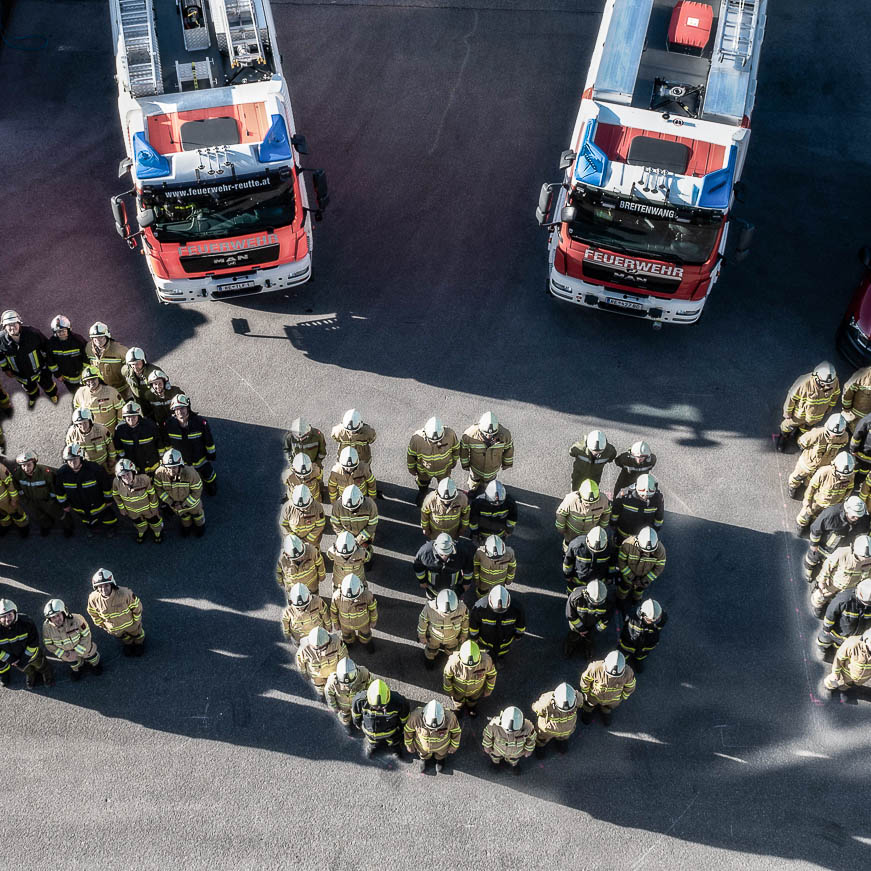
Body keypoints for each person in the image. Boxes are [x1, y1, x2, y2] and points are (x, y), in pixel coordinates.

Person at [776, 362, 840, 452]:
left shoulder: (834, 381)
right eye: (824, 383)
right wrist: (787, 412)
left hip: (816, 416)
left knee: (805, 429)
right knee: (787, 426)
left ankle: (798, 438)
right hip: (798, 415)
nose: (827, 386)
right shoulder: (804, 383)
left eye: (829, 384)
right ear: (816, 377)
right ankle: (783, 437)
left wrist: (830, 407)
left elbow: (835, 395)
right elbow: (791, 397)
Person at [0, 310, 59, 408]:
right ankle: (34, 398)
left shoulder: (33, 334)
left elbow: (46, 348)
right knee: (30, 389)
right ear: (4, 327)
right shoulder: (1, 340)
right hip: (21, 374)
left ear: (19, 323)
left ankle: (53, 395)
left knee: (48, 386)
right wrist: (5, 369)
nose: (12, 327)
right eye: (9, 325)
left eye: (14, 323)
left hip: (40, 370)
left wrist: (48, 364)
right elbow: (0, 356)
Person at [54, 444, 116, 536]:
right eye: (69, 460)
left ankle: (111, 529)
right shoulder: (62, 474)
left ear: (81, 458)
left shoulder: (94, 469)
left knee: (108, 517)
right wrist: (64, 505)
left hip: (99, 504)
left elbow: (105, 486)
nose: (72, 463)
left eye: (75, 459)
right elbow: (60, 492)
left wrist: (108, 499)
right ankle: (91, 528)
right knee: (87, 520)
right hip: (79, 506)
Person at [804, 496, 870, 581]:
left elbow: (863, 535)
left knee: (830, 568)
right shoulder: (831, 514)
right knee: (811, 560)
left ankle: (821, 580)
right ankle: (808, 573)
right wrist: (814, 544)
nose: (856, 518)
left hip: (840, 551)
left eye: (859, 516)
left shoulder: (864, 520)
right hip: (822, 547)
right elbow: (816, 528)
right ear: (847, 510)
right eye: (853, 516)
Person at [165, 394, 217, 496]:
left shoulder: (200, 423)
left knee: (209, 475)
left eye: (182, 408)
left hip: (200, 459)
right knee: (185, 478)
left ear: (188, 407)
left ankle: (211, 486)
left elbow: (208, 440)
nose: (180, 411)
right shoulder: (169, 425)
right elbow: (167, 442)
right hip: (182, 461)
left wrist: (211, 454)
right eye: (177, 409)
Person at [788, 413, 850, 497]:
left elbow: (842, 445)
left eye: (838, 435)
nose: (834, 436)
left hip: (823, 466)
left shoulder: (844, 437)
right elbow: (802, 441)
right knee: (797, 476)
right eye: (831, 433)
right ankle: (793, 487)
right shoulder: (817, 434)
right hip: (807, 463)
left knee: (812, 479)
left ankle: (806, 486)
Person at [86, 568, 145, 656]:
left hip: (131, 625)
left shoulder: (125, 593)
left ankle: (139, 644)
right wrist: (104, 626)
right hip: (115, 630)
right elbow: (92, 613)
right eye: (100, 586)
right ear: (96, 587)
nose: (103, 589)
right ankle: (128, 645)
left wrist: (136, 622)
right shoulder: (93, 598)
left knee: (138, 634)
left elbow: (137, 607)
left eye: (106, 585)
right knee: (124, 638)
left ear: (112, 584)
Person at [810, 536, 871, 618]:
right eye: (864, 558)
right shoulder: (842, 554)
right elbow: (827, 566)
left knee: (839, 602)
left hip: (851, 587)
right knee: (820, 596)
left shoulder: (869, 560)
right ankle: (818, 607)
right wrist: (822, 581)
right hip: (833, 583)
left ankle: (830, 606)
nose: (866, 560)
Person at [42, 599, 101, 680]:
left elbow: (86, 635)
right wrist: (65, 654)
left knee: (92, 657)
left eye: (58, 615)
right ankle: (77, 670)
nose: (56, 619)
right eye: (53, 617)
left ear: (64, 612)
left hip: (84, 647)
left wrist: (76, 652)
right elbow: (48, 644)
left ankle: (96, 665)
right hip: (67, 654)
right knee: (73, 663)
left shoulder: (76, 619)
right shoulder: (47, 627)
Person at [0, 599, 53, 689]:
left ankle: (46, 673)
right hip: (14, 659)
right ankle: (31, 675)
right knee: (26, 669)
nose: (7, 619)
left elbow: (34, 642)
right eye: (3, 616)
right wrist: (10, 659)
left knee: (40, 665)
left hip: (31, 654)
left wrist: (24, 658)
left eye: (9, 615)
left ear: (15, 613)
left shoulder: (26, 622)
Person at [406, 416, 460, 504]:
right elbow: (411, 455)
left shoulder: (450, 434)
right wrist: (411, 468)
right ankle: (423, 492)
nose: (436, 443)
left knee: (445, 485)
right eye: (432, 441)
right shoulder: (417, 439)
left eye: (439, 440)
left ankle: (443, 500)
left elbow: (456, 448)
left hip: (444, 469)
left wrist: (454, 460)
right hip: (424, 470)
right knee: (423, 482)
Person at [153, 448, 205, 537]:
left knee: (198, 517)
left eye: (174, 467)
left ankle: (200, 528)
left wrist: (183, 504)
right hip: (175, 505)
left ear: (180, 465)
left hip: (193, 504)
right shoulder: (159, 474)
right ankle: (187, 528)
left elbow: (197, 491)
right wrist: (171, 502)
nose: (171, 470)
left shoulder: (191, 473)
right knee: (184, 517)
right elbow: (159, 489)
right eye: (168, 467)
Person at [351, 679, 409, 759]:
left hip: (391, 731)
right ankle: (372, 747)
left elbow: (404, 718)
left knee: (394, 741)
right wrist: (357, 723)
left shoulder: (399, 702)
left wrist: (401, 729)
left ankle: (395, 749)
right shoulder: (359, 701)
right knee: (372, 742)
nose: (379, 709)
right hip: (371, 732)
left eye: (383, 706)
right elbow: (356, 715)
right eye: (375, 707)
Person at [469, 585, 526, 664]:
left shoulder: (517, 608)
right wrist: (473, 637)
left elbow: (520, 625)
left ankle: (500, 658)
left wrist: (519, 635)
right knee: (486, 656)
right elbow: (473, 626)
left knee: (502, 652)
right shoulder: (479, 608)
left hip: (504, 641)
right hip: (486, 642)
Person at [460, 411, 513, 494]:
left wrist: (507, 463)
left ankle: (488, 492)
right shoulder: (470, 435)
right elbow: (464, 450)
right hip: (476, 467)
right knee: (474, 479)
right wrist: (465, 464)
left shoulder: (505, 435)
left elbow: (508, 449)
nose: (489, 436)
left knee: (489, 482)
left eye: (492, 434)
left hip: (492, 468)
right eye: (486, 434)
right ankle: (472, 490)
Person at [112, 458, 163, 543]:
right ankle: (142, 531)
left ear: (133, 472)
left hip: (148, 510)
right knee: (139, 523)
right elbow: (116, 495)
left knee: (155, 522)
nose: (126, 477)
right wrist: (122, 508)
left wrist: (154, 508)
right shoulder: (116, 483)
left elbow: (152, 494)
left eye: (128, 474)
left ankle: (157, 532)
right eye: (123, 476)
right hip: (132, 511)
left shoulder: (144, 479)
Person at [579, 650, 636, 726]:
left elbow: (630, 686)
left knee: (608, 707)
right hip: (594, 696)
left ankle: (605, 711)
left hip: (613, 700)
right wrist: (586, 693)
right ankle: (587, 711)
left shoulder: (628, 673)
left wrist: (623, 697)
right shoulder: (595, 668)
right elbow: (585, 680)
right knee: (589, 704)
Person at [442, 639, 497, 717]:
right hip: (458, 691)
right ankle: (459, 708)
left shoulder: (486, 661)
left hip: (476, 691)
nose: (470, 668)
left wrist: (488, 690)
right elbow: (446, 676)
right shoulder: (453, 662)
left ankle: (471, 708)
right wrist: (449, 690)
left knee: (473, 700)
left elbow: (492, 675)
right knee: (458, 700)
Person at [417, 588, 469, 669]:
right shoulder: (430, 608)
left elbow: (465, 623)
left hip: (452, 639)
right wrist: (422, 636)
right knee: (431, 650)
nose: (447, 614)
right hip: (434, 638)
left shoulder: (462, 608)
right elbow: (422, 622)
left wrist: (464, 636)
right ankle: (429, 661)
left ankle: (451, 662)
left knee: (452, 650)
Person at [817, 580, 871, 658]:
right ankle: (822, 648)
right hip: (835, 631)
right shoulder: (844, 599)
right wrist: (827, 628)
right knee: (824, 639)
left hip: (850, 636)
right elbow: (831, 613)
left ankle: (835, 650)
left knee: (840, 645)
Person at [12, 450, 61, 536]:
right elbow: (17, 486)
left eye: (29, 465)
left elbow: (53, 486)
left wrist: (52, 499)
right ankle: (46, 526)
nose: (26, 468)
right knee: (39, 515)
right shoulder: (17, 474)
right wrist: (24, 498)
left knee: (57, 512)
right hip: (31, 501)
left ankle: (67, 526)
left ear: (34, 463)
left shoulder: (45, 472)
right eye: (23, 465)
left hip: (46, 499)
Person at [404, 700, 461, 773]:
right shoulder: (415, 717)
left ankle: (440, 759)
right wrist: (409, 744)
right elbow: (408, 730)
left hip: (442, 747)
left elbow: (456, 731)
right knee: (423, 753)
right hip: (422, 747)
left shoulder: (450, 717)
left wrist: (454, 746)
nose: (433, 730)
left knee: (441, 754)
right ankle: (424, 758)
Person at [616, 527, 666, 607]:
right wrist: (631, 576)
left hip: (644, 577)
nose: (646, 552)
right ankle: (620, 599)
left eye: (649, 551)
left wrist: (645, 579)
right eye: (644, 550)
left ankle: (636, 599)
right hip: (628, 575)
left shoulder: (660, 550)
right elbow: (621, 562)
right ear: (638, 541)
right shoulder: (627, 545)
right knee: (624, 588)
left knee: (639, 590)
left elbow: (659, 567)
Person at [414, 533, 473, 600]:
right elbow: (418, 567)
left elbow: (468, 568)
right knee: (432, 605)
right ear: (435, 546)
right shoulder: (425, 552)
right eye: (441, 554)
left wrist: (466, 583)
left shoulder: (462, 552)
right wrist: (422, 581)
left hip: (454, 590)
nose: (445, 557)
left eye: (447, 554)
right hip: (432, 590)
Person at [555, 479, 611, 549]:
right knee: (568, 545)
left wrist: (602, 527)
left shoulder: (603, 500)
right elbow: (561, 514)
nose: (590, 504)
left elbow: (607, 512)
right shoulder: (571, 499)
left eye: (593, 502)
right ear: (580, 495)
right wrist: (561, 528)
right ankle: (566, 554)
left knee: (585, 549)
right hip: (572, 533)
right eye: (587, 502)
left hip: (589, 534)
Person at [562, 526, 617, 595]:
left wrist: (610, 577)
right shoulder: (576, 546)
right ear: (587, 540)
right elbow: (568, 562)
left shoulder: (610, 549)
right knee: (572, 593)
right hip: (578, 580)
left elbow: (612, 564)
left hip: (597, 583)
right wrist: (568, 575)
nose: (595, 552)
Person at [564, 580, 611, 659]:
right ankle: (570, 644)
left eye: (599, 603)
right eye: (594, 602)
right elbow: (570, 615)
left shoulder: (609, 601)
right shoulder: (576, 597)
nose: (596, 604)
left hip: (593, 627)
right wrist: (581, 629)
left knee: (590, 638)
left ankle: (588, 646)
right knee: (573, 636)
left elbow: (606, 620)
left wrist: (594, 631)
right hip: (577, 625)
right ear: (587, 594)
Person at [296, 626, 347, 697]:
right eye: (316, 649)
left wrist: (344, 670)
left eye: (323, 648)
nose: (320, 651)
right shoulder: (304, 649)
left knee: (336, 689)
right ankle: (323, 696)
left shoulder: (336, 642)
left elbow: (344, 656)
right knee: (321, 691)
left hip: (334, 673)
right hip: (317, 677)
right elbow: (300, 663)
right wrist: (304, 674)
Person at [481, 706, 536, 774]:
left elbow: (531, 739)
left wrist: (529, 749)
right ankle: (495, 764)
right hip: (497, 750)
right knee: (495, 757)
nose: (511, 733)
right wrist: (487, 746)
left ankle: (514, 766)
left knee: (514, 760)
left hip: (515, 753)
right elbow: (487, 736)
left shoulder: (528, 727)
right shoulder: (494, 725)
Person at [618, 598, 668, 672]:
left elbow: (659, 628)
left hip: (645, 645)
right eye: (650, 620)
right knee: (623, 654)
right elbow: (625, 623)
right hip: (629, 642)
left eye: (655, 620)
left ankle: (637, 660)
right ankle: (621, 662)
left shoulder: (661, 618)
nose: (653, 623)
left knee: (641, 656)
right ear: (642, 614)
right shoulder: (632, 616)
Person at [329, 574, 378, 649]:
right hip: (345, 625)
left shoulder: (367, 596)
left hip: (363, 623)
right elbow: (333, 611)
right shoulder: (337, 597)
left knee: (366, 635)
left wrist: (373, 621)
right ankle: (349, 643)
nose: (351, 600)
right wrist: (335, 623)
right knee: (346, 636)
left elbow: (373, 609)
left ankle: (366, 643)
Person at [610, 474, 664, 541]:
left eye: (649, 496)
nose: (645, 497)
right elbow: (616, 510)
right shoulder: (625, 495)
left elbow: (659, 516)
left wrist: (656, 529)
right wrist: (613, 522)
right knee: (619, 544)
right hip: (624, 530)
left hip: (642, 534)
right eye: (642, 495)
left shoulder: (658, 499)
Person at [325, 657, 372, 734]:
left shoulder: (364, 673)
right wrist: (333, 707)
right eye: (345, 684)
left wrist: (369, 701)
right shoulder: (332, 681)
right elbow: (329, 693)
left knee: (360, 715)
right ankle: (347, 725)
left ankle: (359, 724)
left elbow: (371, 685)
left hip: (359, 705)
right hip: (343, 707)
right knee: (345, 717)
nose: (348, 686)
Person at [73, 365, 124, 435]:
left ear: (99, 379)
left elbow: (121, 409)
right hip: (92, 433)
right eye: (87, 380)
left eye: (93, 379)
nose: (91, 382)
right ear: (84, 382)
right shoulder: (80, 393)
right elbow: (77, 410)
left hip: (110, 431)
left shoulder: (111, 392)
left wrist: (120, 426)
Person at [84, 321, 130, 398]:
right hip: (102, 390)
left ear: (107, 336)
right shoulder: (88, 348)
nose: (98, 340)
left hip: (120, 390)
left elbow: (131, 367)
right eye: (95, 337)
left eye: (101, 337)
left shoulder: (119, 350)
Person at [330, 484, 378, 557]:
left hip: (364, 536)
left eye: (355, 508)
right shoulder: (337, 506)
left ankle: (368, 558)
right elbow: (335, 524)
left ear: (360, 500)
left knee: (364, 553)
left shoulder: (370, 505)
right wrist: (346, 538)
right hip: (345, 537)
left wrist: (359, 539)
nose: (351, 511)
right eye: (347, 509)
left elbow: (372, 525)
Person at [113, 401, 161, 475]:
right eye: (128, 417)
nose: (131, 419)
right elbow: (118, 448)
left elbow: (159, 442)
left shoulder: (149, 426)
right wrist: (124, 459)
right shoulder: (120, 430)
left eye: (133, 416)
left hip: (152, 464)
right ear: (124, 417)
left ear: (138, 416)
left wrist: (161, 457)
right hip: (133, 466)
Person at [531, 683, 578, 757]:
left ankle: (544, 750)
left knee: (544, 739)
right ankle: (543, 748)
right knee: (542, 738)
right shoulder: (546, 701)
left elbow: (536, 708)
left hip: (556, 730)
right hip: (553, 730)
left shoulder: (576, 698)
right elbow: (537, 708)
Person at [66, 407, 117, 474]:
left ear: (90, 421)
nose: (83, 426)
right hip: (85, 467)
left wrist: (111, 462)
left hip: (103, 465)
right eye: (80, 424)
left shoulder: (102, 430)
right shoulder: (72, 433)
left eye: (85, 423)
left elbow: (111, 448)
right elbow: (71, 452)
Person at [46, 314, 87, 393]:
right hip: (66, 377)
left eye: (63, 330)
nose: (61, 333)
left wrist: (86, 372)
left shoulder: (78, 340)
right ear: (55, 332)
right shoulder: (51, 344)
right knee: (74, 392)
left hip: (81, 375)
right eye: (58, 331)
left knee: (86, 392)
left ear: (68, 329)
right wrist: (58, 375)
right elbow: (50, 361)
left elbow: (86, 357)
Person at [143, 369, 183, 443]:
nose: (157, 386)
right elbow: (147, 412)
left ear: (165, 383)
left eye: (160, 383)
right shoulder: (148, 396)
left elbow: (185, 406)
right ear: (151, 385)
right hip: (160, 424)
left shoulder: (175, 391)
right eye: (155, 384)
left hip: (176, 422)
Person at [472, 535, 516, 599]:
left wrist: (509, 580)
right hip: (483, 584)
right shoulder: (479, 553)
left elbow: (512, 567)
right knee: (481, 596)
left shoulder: (510, 553)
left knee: (497, 599)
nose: (495, 560)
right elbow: (476, 566)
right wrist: (476, 580)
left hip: (499, 584)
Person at [0, 458, 28, 537]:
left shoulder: (0, 468)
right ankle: (6, 525)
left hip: (5, 501)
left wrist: (14, 499)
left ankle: (24, 528)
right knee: (2, 516)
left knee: (17, 515)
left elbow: (10, 484)